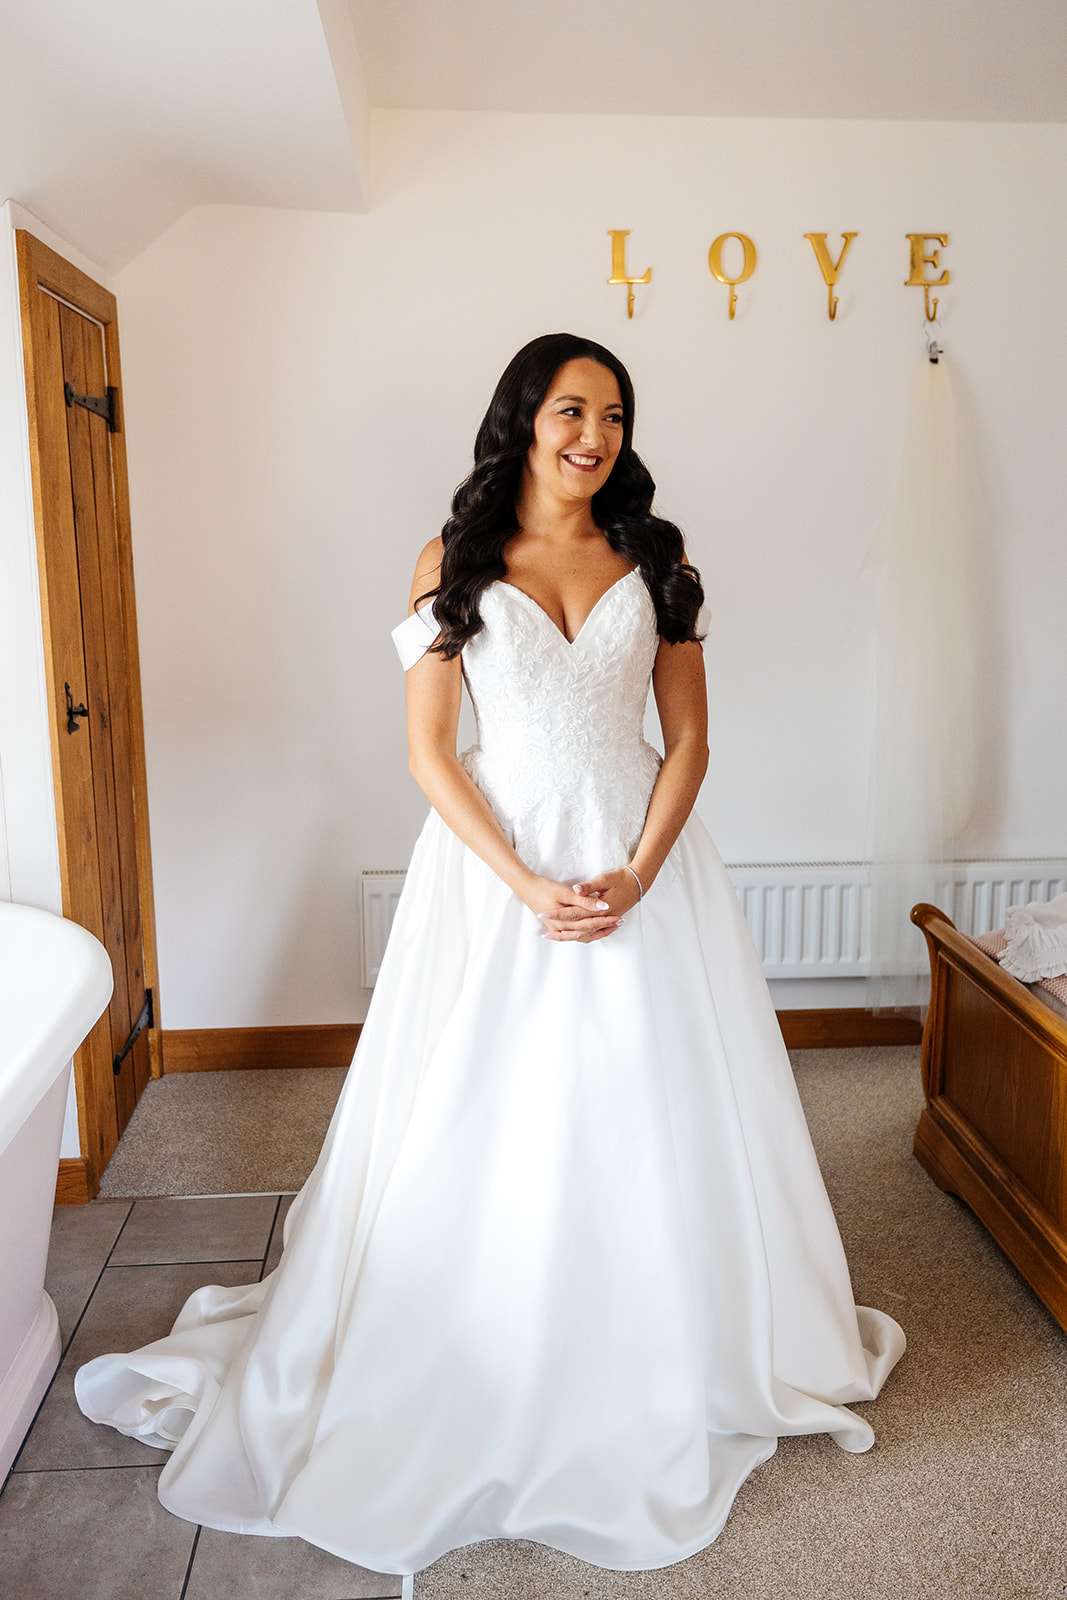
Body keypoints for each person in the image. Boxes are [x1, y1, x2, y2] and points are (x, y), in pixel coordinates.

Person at [76, 333, 905, 1577]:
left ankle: (667, 1331)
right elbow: (427, 751)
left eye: (614, 414)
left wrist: (638, 865)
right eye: (571, 409)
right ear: (522, 419)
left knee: (653, 1108)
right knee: (485, 1110)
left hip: (642, 866)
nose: (595, 434)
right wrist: (523, 884)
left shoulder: (659, 559)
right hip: (495, 869)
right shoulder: (451, 560)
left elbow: (686, 743)